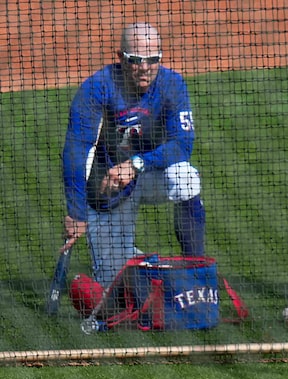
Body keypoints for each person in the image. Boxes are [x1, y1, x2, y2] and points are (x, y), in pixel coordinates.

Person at [62, 22, 207, 288]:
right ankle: (148, 267)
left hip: (150, 175)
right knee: (111, 282)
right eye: (136, 60)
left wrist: (136, 164)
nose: (145, 67)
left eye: (153, 59)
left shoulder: (172, 84)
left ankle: (198, 271)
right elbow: (76, 151)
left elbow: (182, 144)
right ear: (120, 57)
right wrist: (76, 212)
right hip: (109, 187)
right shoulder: (97, 87)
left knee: (185, 177)